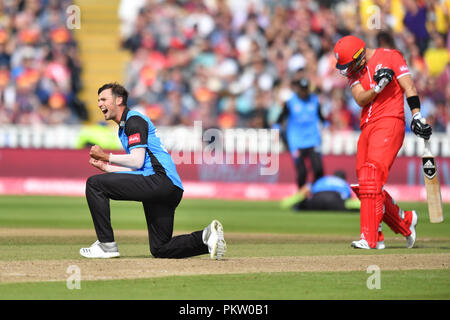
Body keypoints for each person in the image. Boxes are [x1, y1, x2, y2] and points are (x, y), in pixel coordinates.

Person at [79, 83, 226, 259]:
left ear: (119, 100)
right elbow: (138, 166)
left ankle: (106, 245)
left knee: (95, 185)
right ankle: (205, 237)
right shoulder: (126, 125)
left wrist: (106, 156)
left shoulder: (134, 120)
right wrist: (107, 168)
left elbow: (137, 160)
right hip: (169, 187)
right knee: (161, 248)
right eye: (98, 100)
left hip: (159, 180)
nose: (99, 104)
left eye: (103, 99)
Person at [333, 35, 432, 250]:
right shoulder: (355, 72)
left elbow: (410, 88)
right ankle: (405, 222)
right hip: (367, 127)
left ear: (359, 57)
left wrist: (416, 116)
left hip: (390, 121)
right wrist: (378, 87)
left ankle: (370, 238)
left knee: (371, 175)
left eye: (349, 65)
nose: (348, 70)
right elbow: (360, 98)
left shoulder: (391, 57)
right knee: (366, 186)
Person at [274, 77, 325, 208]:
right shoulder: (291, 102)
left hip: (313, 139)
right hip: (296, 140)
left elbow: (321, 117)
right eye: (301, 90)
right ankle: (302, 199)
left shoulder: (314, 101)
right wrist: (276, 128)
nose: (303, 92)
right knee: (302, 172)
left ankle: (317, 195)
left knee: (318, 169)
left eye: (305, 90)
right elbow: (281, 117)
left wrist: (328, 125)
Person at [292, 170, 360, 212]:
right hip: (334, 199)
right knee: (347, 208)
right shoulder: (344, 183)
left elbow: (310, 190)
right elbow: (346, 197)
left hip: (318, 197)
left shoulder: (324, 178)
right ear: (344, 178)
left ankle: (299, 207)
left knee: (306, 206)